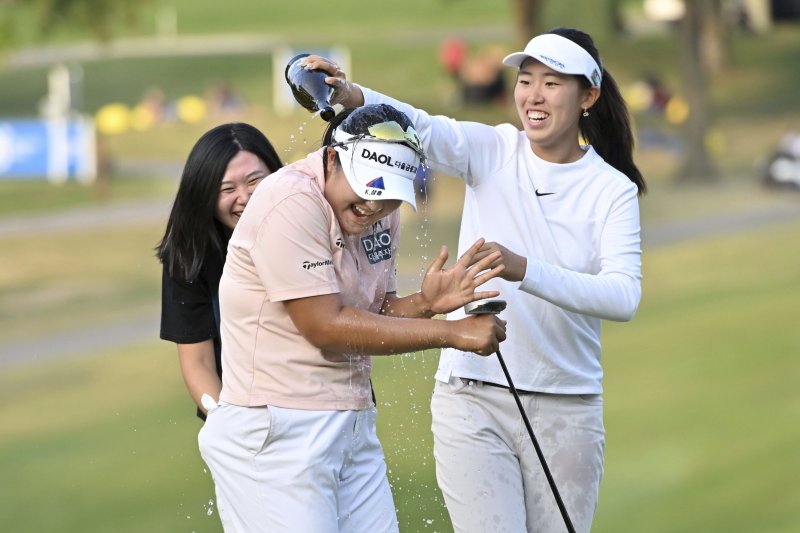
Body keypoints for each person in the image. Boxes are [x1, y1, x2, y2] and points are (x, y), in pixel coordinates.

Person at [305, 25, 646, 533]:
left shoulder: (610, 190)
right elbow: (420, 125)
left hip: (567, 408)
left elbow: (623, 296)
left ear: (588, 96)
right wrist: (354, 97)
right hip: (472, 395)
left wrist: (522, 267)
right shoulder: (493, 149)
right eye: (527, 79)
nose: (533, 94)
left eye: (552, 83)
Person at [197, 103, 508, 533]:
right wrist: (451, 333)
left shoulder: (382, 212)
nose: (372, 205)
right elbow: (325, 327)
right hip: (275, 433)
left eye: (386, 196)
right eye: (365, 188)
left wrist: (425, 303)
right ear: (331, 160)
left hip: (351, 422)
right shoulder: (289, 201)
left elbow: (371, 314)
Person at [157, 122, 283, 420]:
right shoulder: (190, 256)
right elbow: (198, 362)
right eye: (227, 189)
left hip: (326, 410)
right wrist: (230, 426)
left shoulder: (309, 229)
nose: (246, 197)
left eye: (255, 180)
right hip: (244, 420)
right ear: (204, 196)